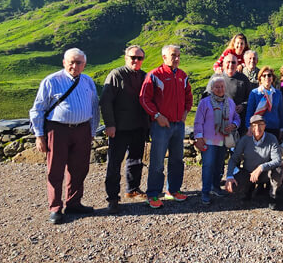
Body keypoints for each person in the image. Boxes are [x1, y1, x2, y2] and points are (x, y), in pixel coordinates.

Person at [29, 48, 100, 224]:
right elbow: (37, 109)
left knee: (80, 168)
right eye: (71, 62)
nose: (75, 66)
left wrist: (91, 131)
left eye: (79, 63)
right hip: (57, 130)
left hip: (82, 129)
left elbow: (94, 108)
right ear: (64, 62)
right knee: (55, 169)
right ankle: (55, 208)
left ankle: (74, 203)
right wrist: (39, 135)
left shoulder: (88, 81)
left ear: (84, 64)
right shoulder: (51, 81)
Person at [139, 45, 192, 208]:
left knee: (177, 159)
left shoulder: (183, 75)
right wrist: (156, 116)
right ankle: (153, 194)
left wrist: (185, 112)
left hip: (178, 124)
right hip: (161, 125)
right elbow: (144, 98)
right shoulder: (154, 75)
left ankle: (173, 190)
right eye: (173, 55)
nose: (176, 58)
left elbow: (188, 97)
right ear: (164, 57)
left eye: (178, 55)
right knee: (157, 162)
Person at [99, 45, 150, 214]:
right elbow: (105, 102)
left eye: (139, 58)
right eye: (132, 57)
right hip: (119, 128)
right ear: (126, 58)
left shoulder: (144, 76)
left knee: (136, 160)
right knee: (114, 163)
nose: (136, 61)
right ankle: (112, 198)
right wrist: (110, 124)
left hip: (138, 127)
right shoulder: (116, 75)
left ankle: (133, 188)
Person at [194, 76, 240, 205]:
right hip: (208, 141)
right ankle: (205, 192)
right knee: (208, 166)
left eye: (222, 87)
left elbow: (237, 118)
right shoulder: (205, 102)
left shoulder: (230, 102)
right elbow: (198, 121)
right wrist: (198, 137)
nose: (220, 89)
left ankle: (215, 187)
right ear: (212, 88)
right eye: (217, 87)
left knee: (219, 166)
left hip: (223, 140)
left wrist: (234, 125)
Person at [225, 115, 283, 210]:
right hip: (249, 173)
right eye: (254, 125)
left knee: (278, 170)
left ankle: (273, 195)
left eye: (261, 125)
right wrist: (229, 176)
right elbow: (234, 158)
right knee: (235, 186)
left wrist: (261, 167)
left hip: (265, 173)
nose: (257, 128)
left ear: (265, 126)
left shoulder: (272, 138)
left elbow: (277, 160)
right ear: (251, 127)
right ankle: (248, 190)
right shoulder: (245, 140)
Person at [246, 66, 283, 142]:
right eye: (264, 75)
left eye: (269, 75)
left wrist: (282, 129)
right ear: (260, 78)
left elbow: (280, 112)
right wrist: (249, 127)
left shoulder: (277, 94)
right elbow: (249, 112)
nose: (267, 77)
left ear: (272, 78)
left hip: (274, 128)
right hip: (258, 128)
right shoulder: (254, 93)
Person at [219, 54, 252, 136]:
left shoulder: (244, 79)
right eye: (228, 62)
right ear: (223, 64)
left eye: (233, 62)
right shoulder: (216, 78)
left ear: (237, 64)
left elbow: (250, 98)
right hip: (219, 121)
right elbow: (207, 97)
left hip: (239, 122)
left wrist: (243, 105)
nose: (230, 65)